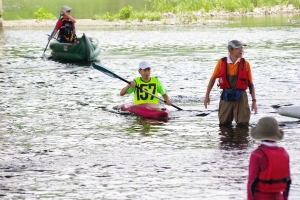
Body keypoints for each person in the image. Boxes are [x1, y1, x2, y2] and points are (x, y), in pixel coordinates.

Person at [204, 40, 257, 126]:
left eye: (242, 48)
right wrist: (207, 96)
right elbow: (212, 79)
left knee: (243, 125)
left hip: (241, 98)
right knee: (224, 124)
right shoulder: (221, 62)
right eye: (238, 48)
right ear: (230, 51)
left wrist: (254, 101)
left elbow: (251, 84)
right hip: (226, 96)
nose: (241, 50)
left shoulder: (246, 64)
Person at [247, 117, 291, 200]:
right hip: (279, 197)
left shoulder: (257, 154)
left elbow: (251, 182)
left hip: (261, 197)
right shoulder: (284, 153)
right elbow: (288, 181)